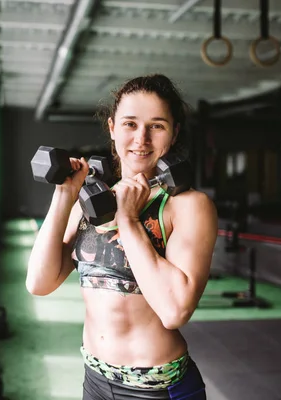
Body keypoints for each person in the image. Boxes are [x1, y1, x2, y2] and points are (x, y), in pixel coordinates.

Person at [26, 74, 218, 400]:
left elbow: (175, 311)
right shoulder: (88, 202)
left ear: (173, 133)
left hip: (157, 389)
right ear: (113, 128)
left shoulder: (188, 206)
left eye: (156, 125)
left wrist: (128, 221)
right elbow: (39, 283)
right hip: (95, 380)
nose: (141, 138)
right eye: (130, 124)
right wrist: (64, 195)